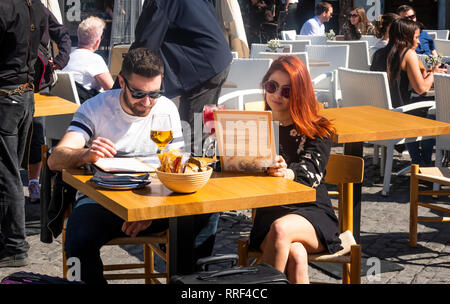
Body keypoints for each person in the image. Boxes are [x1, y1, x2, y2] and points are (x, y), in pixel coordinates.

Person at [47, 48, 184, 284]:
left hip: (155, 202)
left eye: (155, 94)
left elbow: (175, 169)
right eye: (139, 93)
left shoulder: (166, 109)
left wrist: (150, 211)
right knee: (78, 236)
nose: (148, 102)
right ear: (121, 81)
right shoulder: (96, 107)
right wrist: (85, 154)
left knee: (204, 217)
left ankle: (188, 284)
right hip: (104, 202)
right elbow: (55, 159)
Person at [129, 0, 233, 261]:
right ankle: (183, 234)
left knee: (196, 152)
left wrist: (126, 81)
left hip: (203, 66)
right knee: (196, 144)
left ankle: (191, 243)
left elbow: (146, 43)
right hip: (212, 61)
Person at [249, 55, 342, 284]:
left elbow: (311, 173)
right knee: (296, 255)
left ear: (299, 93)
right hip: (269, 215)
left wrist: (288, 172)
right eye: (272, 86)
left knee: (282, 230)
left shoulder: (318, 129)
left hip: (312, 215)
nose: (277, 95)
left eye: (287, 91)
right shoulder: (254, 125)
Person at [0, 0, 46, 268]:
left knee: (6, 175)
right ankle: (9, 241)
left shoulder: (6, 7)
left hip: (8, 97)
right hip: (23, 96)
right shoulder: (35, 5)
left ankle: (15, 245)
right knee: (9, 175)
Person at [370, 18, 446, 167]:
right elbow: (422, 89)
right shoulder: (407, 54)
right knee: (432, 115)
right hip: (398, 117)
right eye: (416, 37)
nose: (418, 42)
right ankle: (423, 163)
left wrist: (425, 73)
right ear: (406, 37)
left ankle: (418, 161)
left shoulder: (379, 53)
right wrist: (434, 73)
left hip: (379, 116)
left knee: (418, 110)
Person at [27, 5, 71, 203]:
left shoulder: (37, 8)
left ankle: (34, 181)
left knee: (36, 134)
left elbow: (62, 33)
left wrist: (61, 59)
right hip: (10, 84)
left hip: (38, 82)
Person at [62, 16, 114, 100]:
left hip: (66, 106)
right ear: (97, 42)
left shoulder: (66, 56)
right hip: (87, 109)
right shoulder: (95, 59)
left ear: (78, 37)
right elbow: (112, 90)